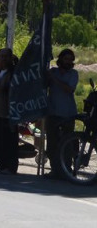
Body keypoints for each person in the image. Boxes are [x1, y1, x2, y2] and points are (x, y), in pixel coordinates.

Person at [45, 49, 78, 179]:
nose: (68, 62)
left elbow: (69, 89)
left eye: (70, 59)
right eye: (66, 59)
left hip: (68, 113)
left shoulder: (73, 74)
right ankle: (55, 170)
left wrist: (54, 78)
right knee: (52, 143)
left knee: (67, 143)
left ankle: (66, 170)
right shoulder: (53, 71)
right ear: (60, 60)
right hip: (53, 112)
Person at [0, 48, 18, 174]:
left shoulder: (14, 73)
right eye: (1, 56)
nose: (3, 59)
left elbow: (13, 89)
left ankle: (10, 167)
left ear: (10, 58)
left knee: (8, 140)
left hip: (8, 112)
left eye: (6, 56)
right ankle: (1, 165)